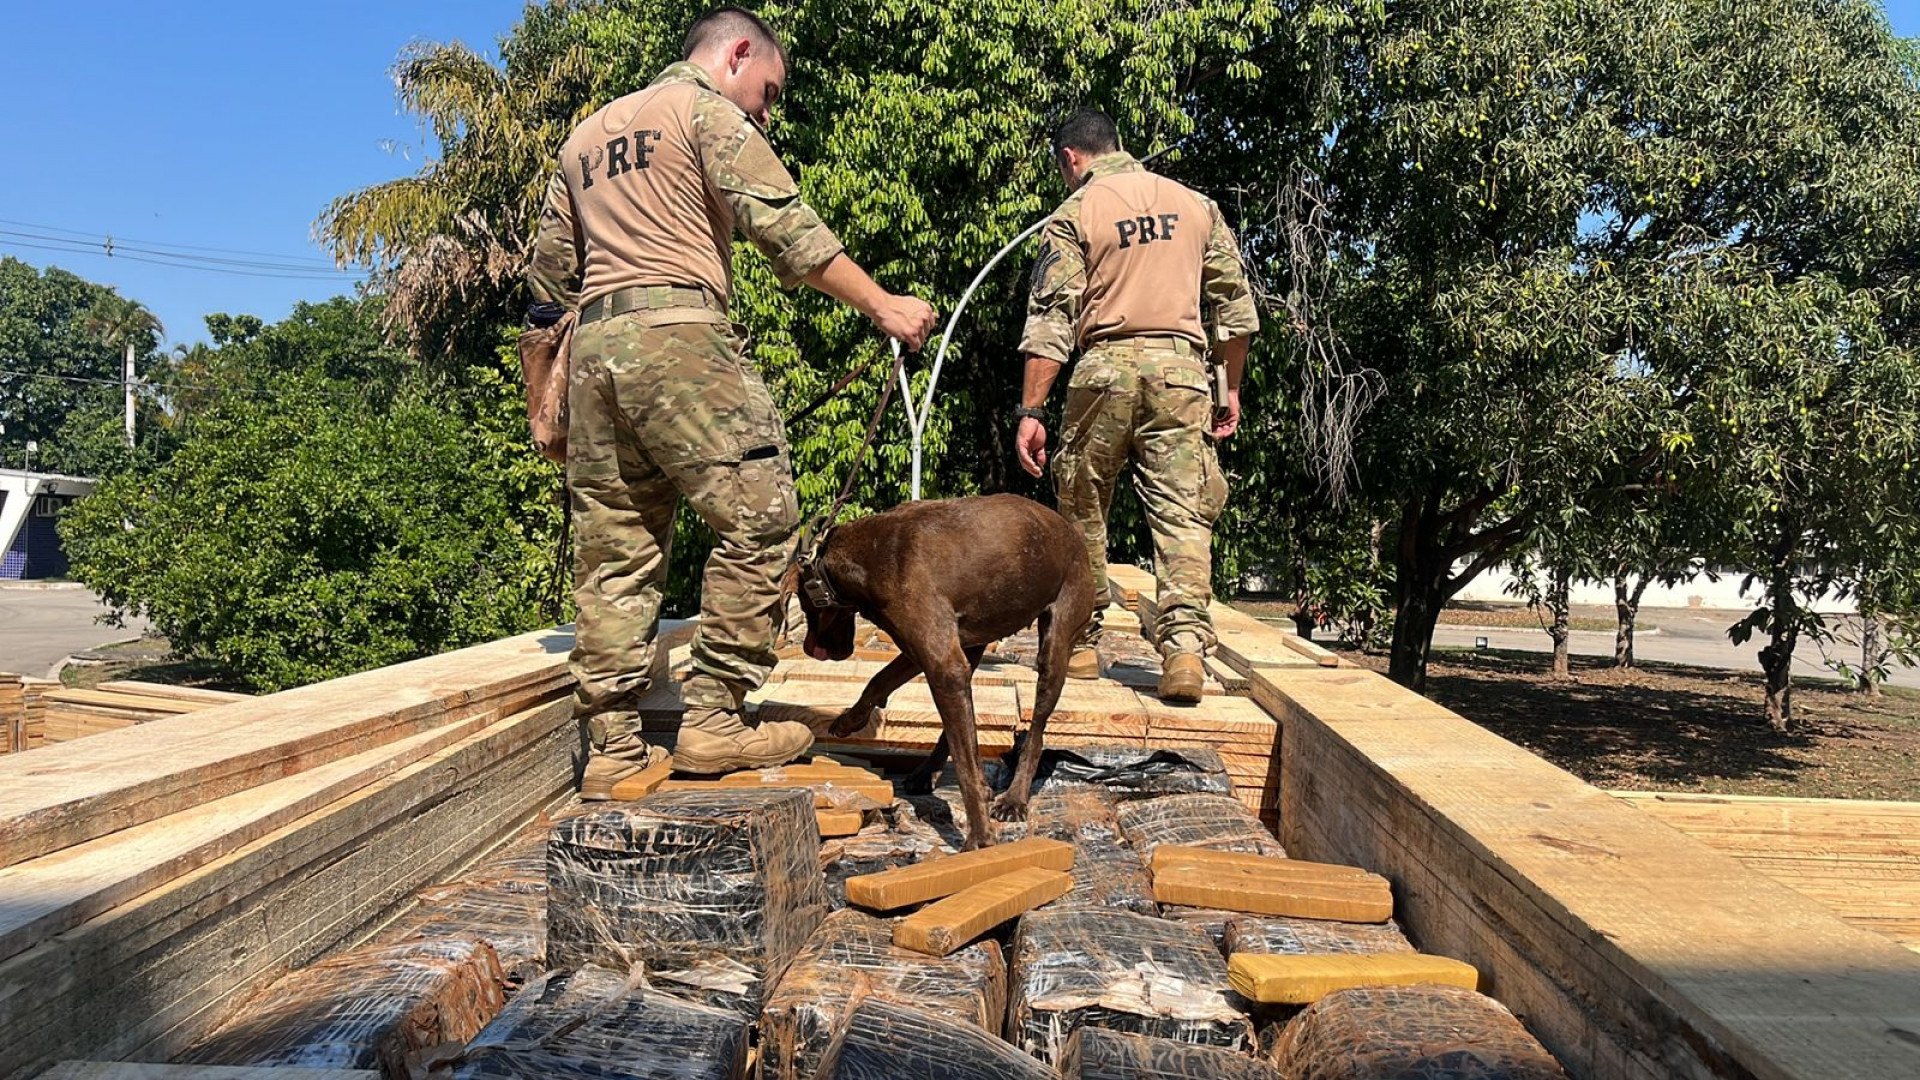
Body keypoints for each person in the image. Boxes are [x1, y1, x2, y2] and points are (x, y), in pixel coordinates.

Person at [526, 6, 937, 796]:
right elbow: (783, 226)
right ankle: (714, 719)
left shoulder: (583, 138)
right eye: (769, 90)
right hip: (677, 335)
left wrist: (548, 399)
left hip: (594, 356)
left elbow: (547, 290)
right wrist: (882, 304)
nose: (766, 111)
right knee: (764, 519)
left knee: (616, 551)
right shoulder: (702, 110)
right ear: (736, 54)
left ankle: (611, 747)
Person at [1013, 108, 1259, 703]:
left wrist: (1031, 411)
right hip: (1182, 372)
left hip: (1103, 369)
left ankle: (1078, 644)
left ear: (1072, 158)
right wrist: (1230, 388)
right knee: (1183, 511)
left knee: (1082, 508)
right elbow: (1235, 307)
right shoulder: (1196, 206)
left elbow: (1052, 320)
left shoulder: (1074, 214)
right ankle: (1183, 652)